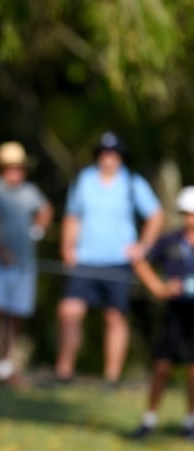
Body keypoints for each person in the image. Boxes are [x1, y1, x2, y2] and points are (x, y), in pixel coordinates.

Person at [53, 131, 164, 387]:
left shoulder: (132, 183)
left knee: (114, 317)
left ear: (121, 157)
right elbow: (73, 216)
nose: (108, 159)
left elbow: (156, 215)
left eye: (113, 154)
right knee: (69, 311)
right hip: (85, 258)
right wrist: (67, 246)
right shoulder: (85, 180)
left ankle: (111, 378)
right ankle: (63, 372)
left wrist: (143, 246)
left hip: (118, 261)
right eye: (104, 153)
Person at [0, 141, 53, 382]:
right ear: (2, 168)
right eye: (11, 167)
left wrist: (38, 229)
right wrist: (0, 251)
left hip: (24, 263)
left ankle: (6, 363)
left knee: (16, 313)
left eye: (19, 167)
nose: (16, 171)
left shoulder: (30, 191)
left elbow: (46, 210)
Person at [130, 186, 194, 440]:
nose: (191, 218)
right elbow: (140, 261)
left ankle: (191, 421)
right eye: (187, 213)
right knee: (161, 366)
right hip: (175, 312)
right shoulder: (169, 242)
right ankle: (149, 419)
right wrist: (158, 287)